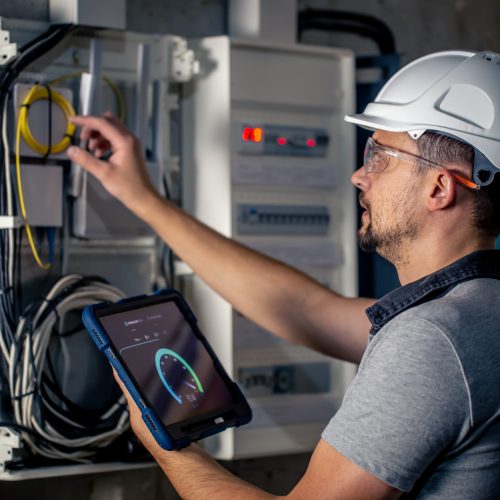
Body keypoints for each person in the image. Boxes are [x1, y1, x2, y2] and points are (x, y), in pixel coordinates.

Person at [66, 50, 500, 498]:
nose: (359, 176)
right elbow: (304, 310)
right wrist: (144, 199)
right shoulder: (477, 310)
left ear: (439, 187)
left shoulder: (431, 339)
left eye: (380, 157)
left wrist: (168, 444)